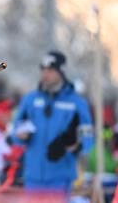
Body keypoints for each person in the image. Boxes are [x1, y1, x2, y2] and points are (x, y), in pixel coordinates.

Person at [12, 51, 94, 192]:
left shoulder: (77, 103)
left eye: (50, 70)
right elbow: (15, 131)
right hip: (32, 177)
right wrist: (19, 136)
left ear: (61, 72)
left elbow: (88, 138)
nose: (45, 74)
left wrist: (74, 146)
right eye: (43, 69)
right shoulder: (30, 99)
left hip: (60, 178)